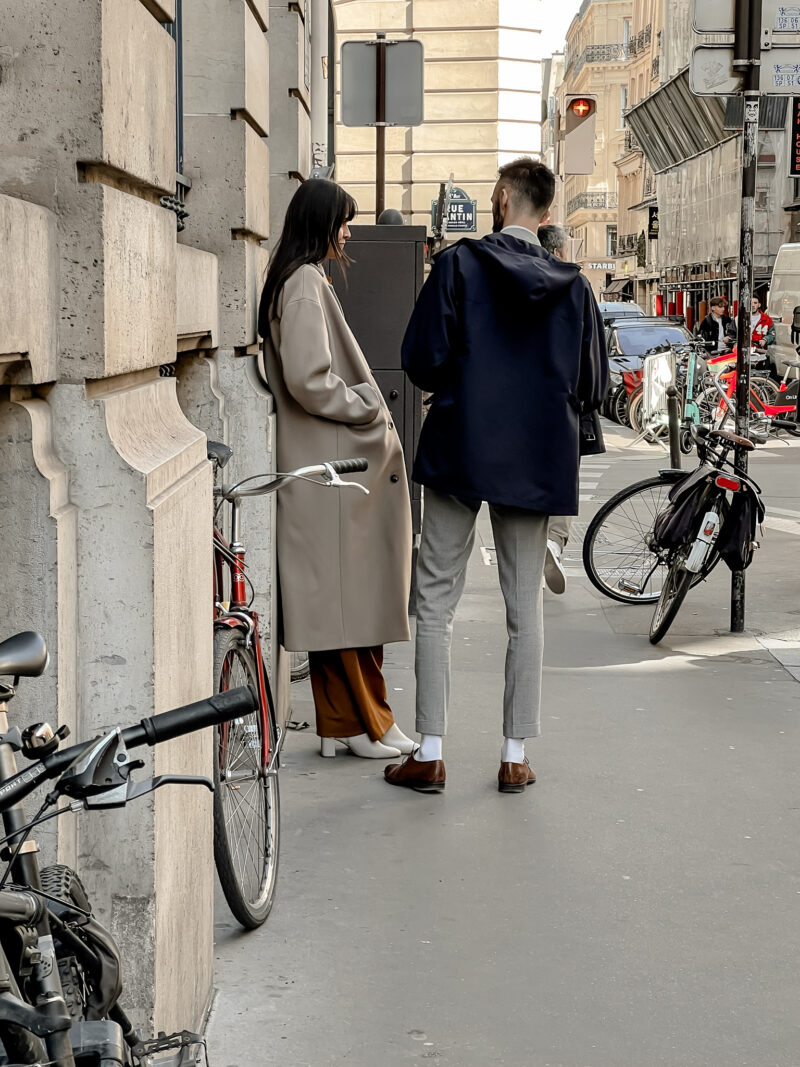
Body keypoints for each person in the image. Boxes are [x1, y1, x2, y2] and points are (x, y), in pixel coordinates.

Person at [384, 157, 607, 796]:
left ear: (504, 199)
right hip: (536, 457)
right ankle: (514, 755)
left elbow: (420, 360)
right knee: (523, 604)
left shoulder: (458, 265)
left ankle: (429, 751)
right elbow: (592, 386)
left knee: (434, 598)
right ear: (546, 212)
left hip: (462, 447)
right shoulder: (574, 285)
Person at [258, 179, 415, 760]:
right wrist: (365, 405)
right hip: (332, 467)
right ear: (320, 221)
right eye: (343, 221)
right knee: (352, 604)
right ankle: (370, 724)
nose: (349, 232)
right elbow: (307, 377)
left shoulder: (300, 278)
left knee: (340, 603)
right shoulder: (302, 283)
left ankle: (342, 725)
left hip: (325, 465)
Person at [537, 223, 575, 593]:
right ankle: (553, 542)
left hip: (526, 405)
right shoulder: (572, 285)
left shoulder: (520, 279)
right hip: (562, 403)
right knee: (563, 480)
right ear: (560, 252)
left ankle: (535, 542)